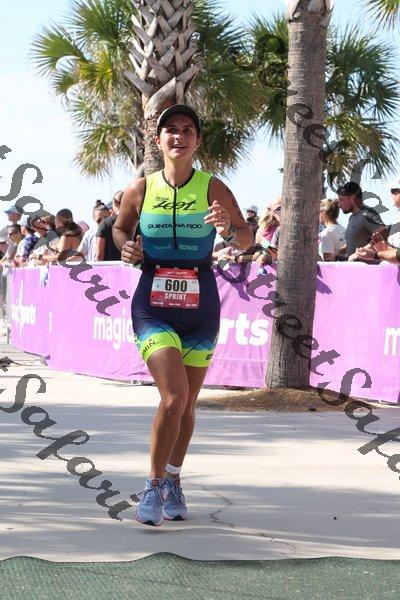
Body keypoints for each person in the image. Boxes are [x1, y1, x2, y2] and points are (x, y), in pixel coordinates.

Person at [113, 104, 252, 527]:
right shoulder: (141, 188)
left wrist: (227, 229)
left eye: (187, 130)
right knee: (173, 397)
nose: (179, 136)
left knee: (188, 403)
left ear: (197, 141)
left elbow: (246, 238)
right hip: (152, 304)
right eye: (170, 130)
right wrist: (126, 247)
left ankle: (174, 479)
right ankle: (153, 485)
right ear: (158, 140)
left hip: (201, 303)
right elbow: (119, 228)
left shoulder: (213, 187)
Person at [349, 179, 400, 263]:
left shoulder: (367, 213)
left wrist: (378, 255)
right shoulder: (397, 216)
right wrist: (382, 251)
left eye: (393, 190)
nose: (391, 194)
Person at [337, 181, 385, 259]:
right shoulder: (352, 218)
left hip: (368, 266)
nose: (339, 205)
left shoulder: (367, 213)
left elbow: (383, 235)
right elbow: (354, 241)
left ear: (352, 198)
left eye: (341, 200)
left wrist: (361, 252)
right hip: (354, 265)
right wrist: (339, 251)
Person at [96, 192, 123, 261]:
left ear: (114, 203)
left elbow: (99, 255)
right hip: (130, 266)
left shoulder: (105, 223)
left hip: (110, 267)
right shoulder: (135, 223)